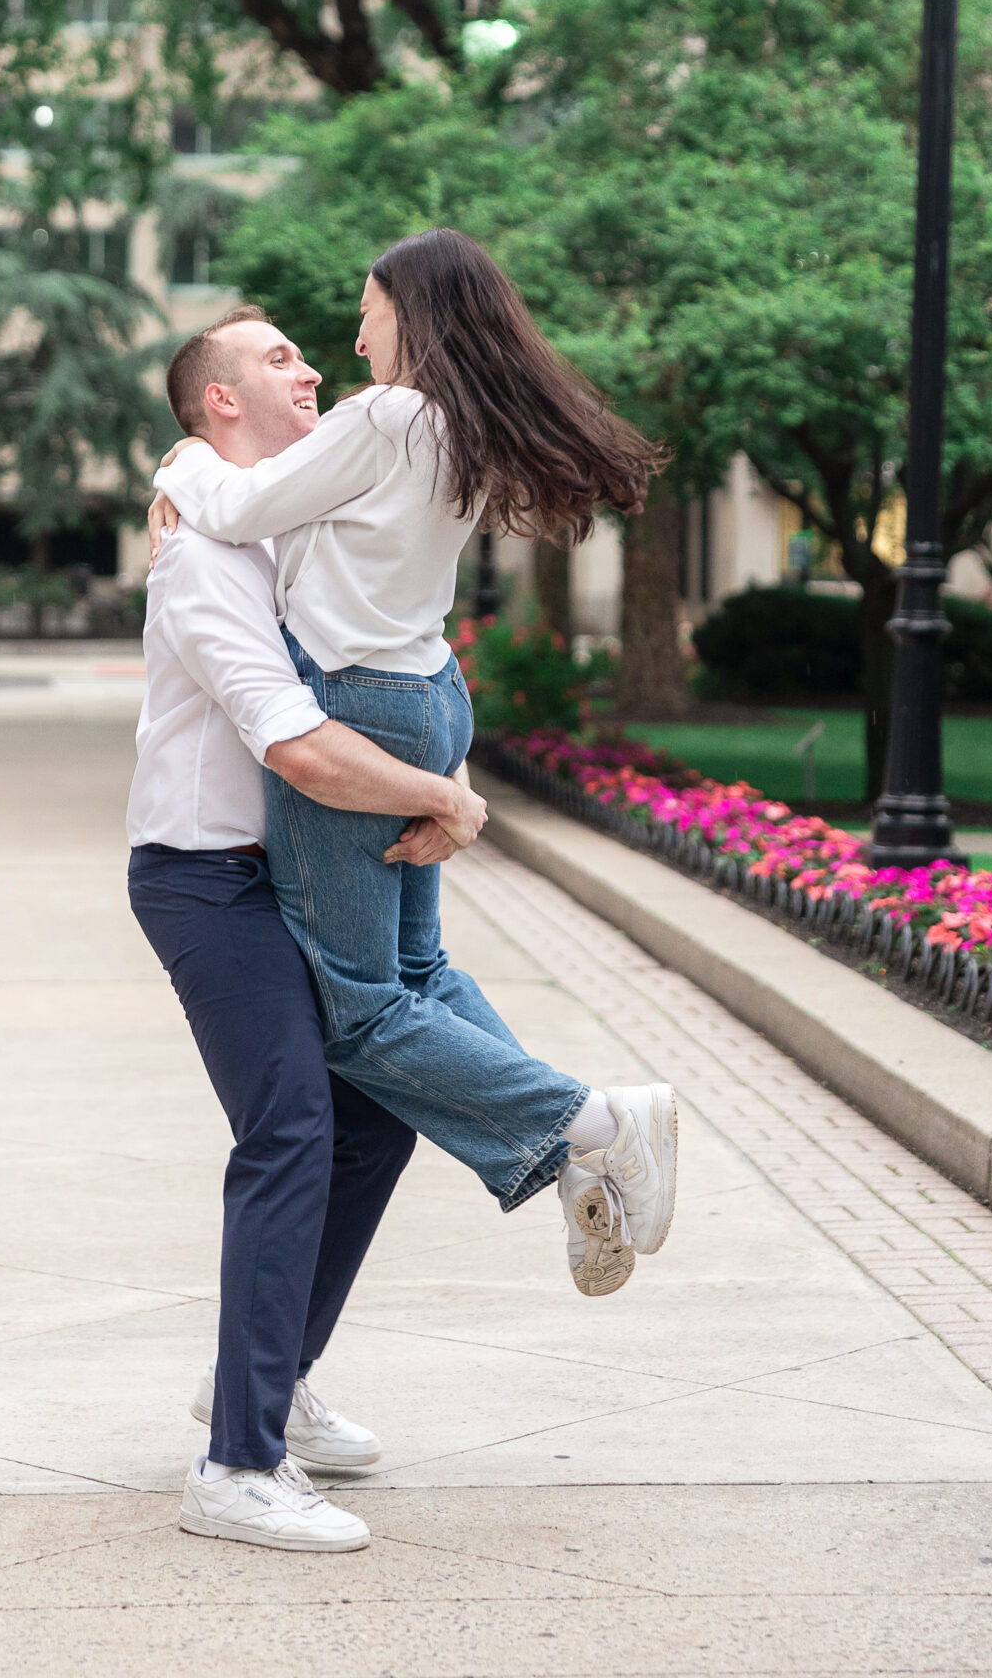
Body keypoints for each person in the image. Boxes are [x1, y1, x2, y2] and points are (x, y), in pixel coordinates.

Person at [152, 237, 678, 1312]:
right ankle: (573, 1157)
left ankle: (595, 1124)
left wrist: (178, 463)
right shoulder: (453, 423)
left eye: (367, 313)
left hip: (359, 702)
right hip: (430, 692)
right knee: (420, 970)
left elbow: (240, 510)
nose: (355, 341)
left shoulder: (388, 416)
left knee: (357, 1012)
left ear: (415, 309)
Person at [128, 305, 495, 1556]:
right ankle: (236, 1465)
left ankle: (267, 1380)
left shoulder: (281, 522)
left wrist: (440, 768)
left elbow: (388, 655)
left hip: (292, 866)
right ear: (220, 400)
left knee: (376, 1116)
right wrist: (440, 796)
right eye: (280, 356)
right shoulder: (202, 558)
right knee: (291, 1127)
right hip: (207, 877)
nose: (315, 367)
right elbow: (294, 742)